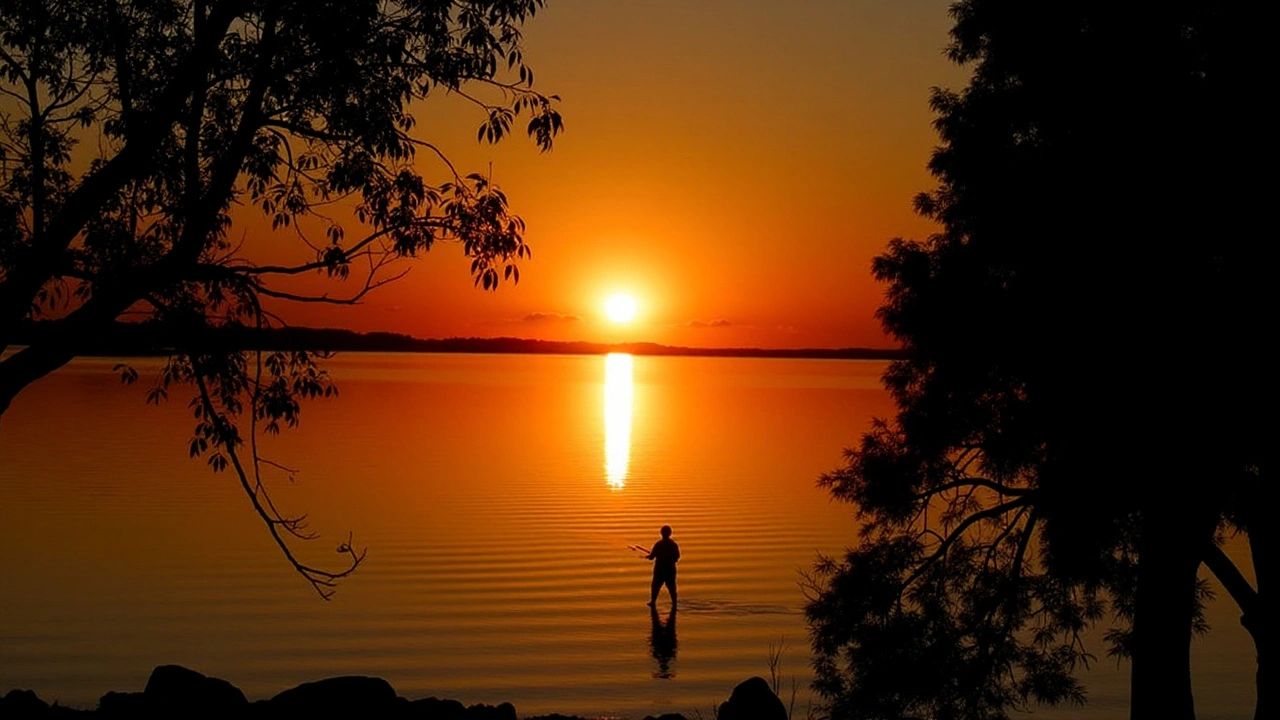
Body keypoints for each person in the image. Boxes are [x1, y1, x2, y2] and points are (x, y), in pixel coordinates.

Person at [645, 525, 680, 608]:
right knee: (672, 587)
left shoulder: (658, 544)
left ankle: (653, 602)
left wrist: (649, 556)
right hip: (670, 569)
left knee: (655, 586)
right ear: (670, 533)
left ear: (661, 533)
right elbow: (677, 557)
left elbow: (652, 556)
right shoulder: (673, 545)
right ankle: (674, 603)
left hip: (659, 570)